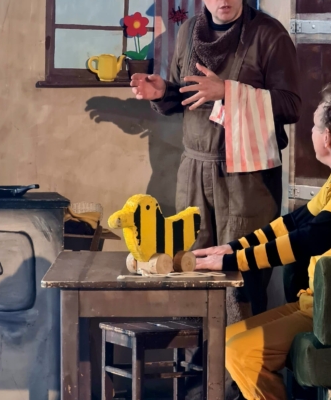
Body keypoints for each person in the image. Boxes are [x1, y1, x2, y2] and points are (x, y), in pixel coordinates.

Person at [193, 83, 331, 400]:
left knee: (242, 352)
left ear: (328, 137)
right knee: (226, 341)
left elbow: (310, 240)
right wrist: (233, 247)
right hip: (322, 302)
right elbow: (296, 222)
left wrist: (231, 261)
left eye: (314, 126)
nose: (310, 132)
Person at [130, 0, 301, 322]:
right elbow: (184, 96)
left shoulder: (269, 34)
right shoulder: (188, 32)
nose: (224, 1)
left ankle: (238, 355)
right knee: (188, 267)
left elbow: (291, 105)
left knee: (241, 277)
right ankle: (195, 353)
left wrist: (228, 91)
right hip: (194, 171)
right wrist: (163, 93)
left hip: (247, 178)